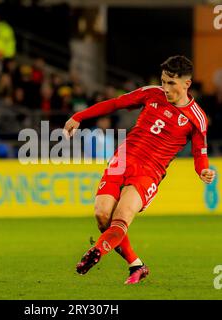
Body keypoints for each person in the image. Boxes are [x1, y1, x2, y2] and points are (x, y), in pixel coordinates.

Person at [63, 55, 216, 285]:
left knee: (122, 215)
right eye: (163, 81)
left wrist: (202, 170)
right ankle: (137, 265)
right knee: (102, 215)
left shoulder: (197, 118)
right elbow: (115, 103)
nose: (165, 88)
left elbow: (199, 153)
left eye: (171, 83)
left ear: (187, 84)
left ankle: (96, 252)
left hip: (150, 171)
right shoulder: (151, 93)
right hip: (123, 159)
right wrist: (79, 116)